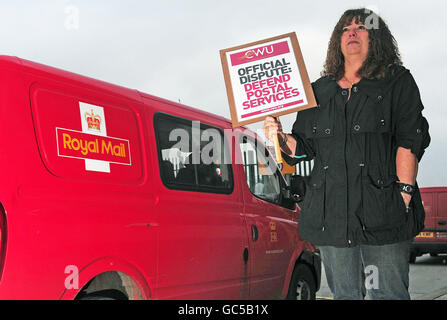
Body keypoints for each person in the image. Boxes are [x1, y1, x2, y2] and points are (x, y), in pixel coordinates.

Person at [263, 8, 430, 300]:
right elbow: (303, 147)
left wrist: (402, 196)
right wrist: (278, 136)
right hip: (332, 216)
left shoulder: (397, 82)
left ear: (375, 38)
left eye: (361, 27)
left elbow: (410, 141)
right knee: (345, 296)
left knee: (387, 294)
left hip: (384, 212)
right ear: (337, 41)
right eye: (345, 28)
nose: (352, 32)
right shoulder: (318, 91)